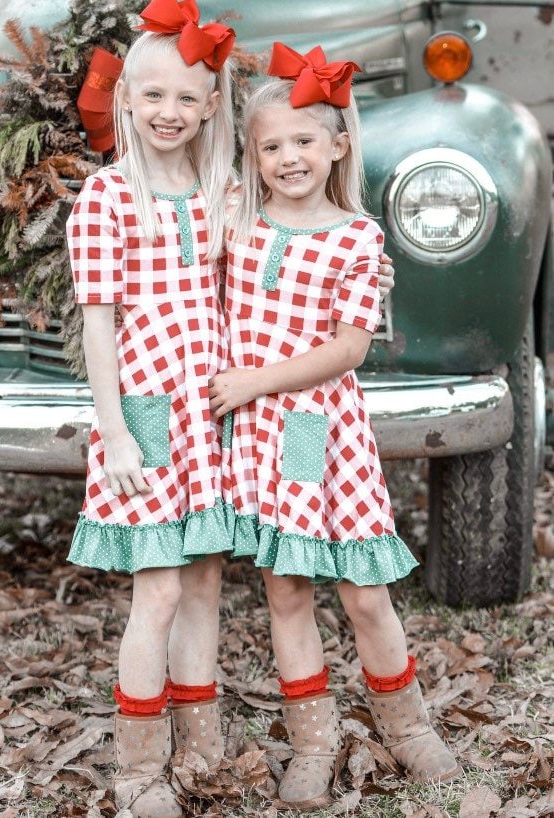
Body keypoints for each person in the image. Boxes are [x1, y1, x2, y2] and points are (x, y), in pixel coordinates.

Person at [209, 42, 460, 811]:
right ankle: (312, 743)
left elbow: (349, 349)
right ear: (251, 154)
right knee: (285, 592)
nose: (288, 158)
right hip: (257, 438)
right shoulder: (236, 224)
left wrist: (252, 382)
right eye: (272, 145)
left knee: (362, 593)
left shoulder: (357, 238)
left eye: (304, 141)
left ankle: (407, 726)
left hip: (324, 433)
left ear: (338, 143)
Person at [66, 2, 237, 815]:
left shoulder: (218, 192)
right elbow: (98, 326)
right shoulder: (106, 198)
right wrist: (115, 433)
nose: (169, 113)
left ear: (210, 106)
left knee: (204, 581)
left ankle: (202, 745)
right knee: (159, 588)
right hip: (144, 414)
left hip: (209, 412)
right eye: (153, 96)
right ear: (126, 101)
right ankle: (139, 766)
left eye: (186, 98)